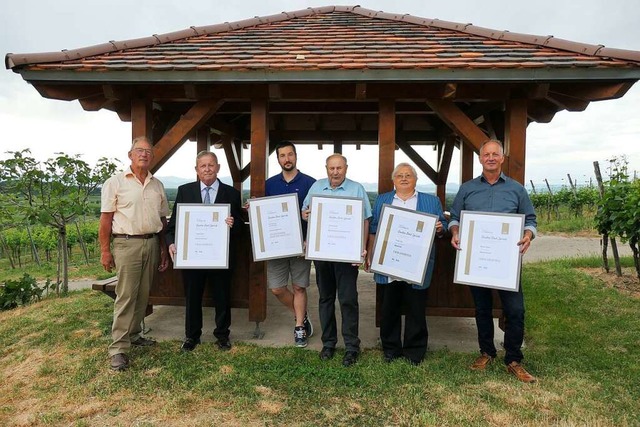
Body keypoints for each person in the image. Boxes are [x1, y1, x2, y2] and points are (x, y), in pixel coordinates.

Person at [449, 139, 538, 383]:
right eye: (486, 154)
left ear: (502, 158)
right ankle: (486, 352)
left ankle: (513, 358)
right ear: (480, 159)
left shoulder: (516, 189)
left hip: (506, 262)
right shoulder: (467, 189)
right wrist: (455, 232)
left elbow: (530, 219)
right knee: (482, 309)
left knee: (516, 310)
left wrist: (528, 236)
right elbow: (454, 217)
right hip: (477, 260)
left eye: (494, 154)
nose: (490, 158)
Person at [99, 136, 170, 371]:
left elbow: (162, 221)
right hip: (126, 244)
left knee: (143, 294)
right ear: (130, 155)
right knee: (126, 295)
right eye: (139, 150)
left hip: (151, 242)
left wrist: (162, 249)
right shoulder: (115, 183)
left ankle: (135, 334)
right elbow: (106, 219)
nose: (144, 154)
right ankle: (118, 348)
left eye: (148, 152)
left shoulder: (157, 185)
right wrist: (105, 251)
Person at [366, 163, 447, 365]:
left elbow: (443, 226)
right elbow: (374, 229)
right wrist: (371, 254)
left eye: (408, 175)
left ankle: (415, 352)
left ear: (415, 179)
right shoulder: (383, 200)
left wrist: (439, 228)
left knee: (416, 309)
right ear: (393, 180)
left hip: (416, 266)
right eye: (400, 175)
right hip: (389, 264)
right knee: (389, 308)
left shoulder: (431, 201)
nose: (404, 178)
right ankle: (391, 350)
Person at [166, 151, 242, 353]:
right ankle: (192, 336)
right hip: (193, 257)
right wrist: (171, 243)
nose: (207, 169)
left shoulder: (232, 193)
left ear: (218, 167)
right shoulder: (185, 191)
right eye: (203, 166)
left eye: (211, 165)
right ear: (196, 170)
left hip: (220, 257)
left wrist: (233, 224)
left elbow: (241, 228)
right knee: (192, 297)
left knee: (222, 297)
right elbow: (173, 225)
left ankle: (222, 336)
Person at [302, 153, 372, 367]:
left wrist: (362, 248)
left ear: (346, 168)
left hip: (346, 255)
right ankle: (329, 343)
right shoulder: (316, 187)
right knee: (325, 298)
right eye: (331, 168)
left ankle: (351, 346)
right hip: (322, 254)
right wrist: (306, 217)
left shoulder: (357, 189)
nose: (335, 172)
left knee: (348, 299)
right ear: (326, 168)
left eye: (339, 168)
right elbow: (305, 213)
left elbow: (366, 220)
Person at [264, 141, 316, 347]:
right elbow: (265, 212)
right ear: (277, 159)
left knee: (299, 287)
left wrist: (309, 234)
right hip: (276, 245)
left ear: (296, 156)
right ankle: (301, 312)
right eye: (282, 155)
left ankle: (300, 327)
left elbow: (318, 214)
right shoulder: (269, 184)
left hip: (301, 245)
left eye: (290, 155)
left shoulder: (310, 183)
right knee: (277, 288)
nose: (287, 159)